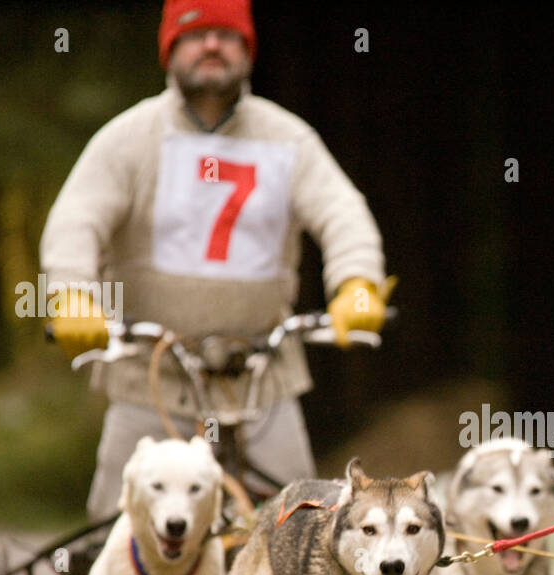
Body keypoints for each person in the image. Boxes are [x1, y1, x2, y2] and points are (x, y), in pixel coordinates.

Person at [41, 0, 393, 519]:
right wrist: (72, 294)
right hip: (151, 378)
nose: (211, 45)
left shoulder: (289, 138)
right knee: (112, 532)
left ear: (248, 50)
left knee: (308, 525)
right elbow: (76, 219)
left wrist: (358, 282)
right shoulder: (128, 139)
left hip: (261, 380)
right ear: (168, 49)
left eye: (226, 36)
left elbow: (342, 213)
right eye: (194, 33)